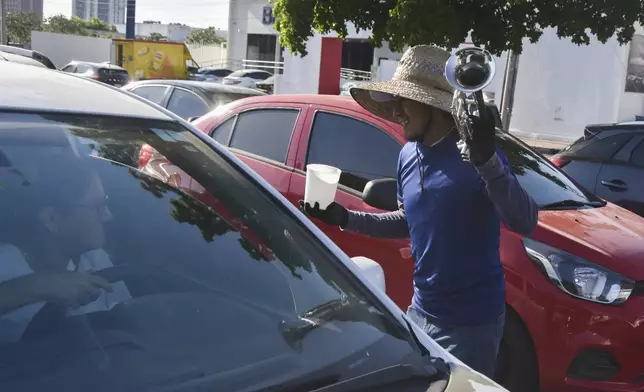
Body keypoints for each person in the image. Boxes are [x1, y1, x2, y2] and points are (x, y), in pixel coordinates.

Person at [300, 45, 538, 378]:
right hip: (421, 311)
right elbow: (409, 221)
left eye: (404, 100)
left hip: (471, 323)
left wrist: (488, 161)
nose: (396, 111)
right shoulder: (407, 155)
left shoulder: (477, 154)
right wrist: (344, 218)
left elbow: (525, 220)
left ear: (430, 103)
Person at [0, 156, 131, 343]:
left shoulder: (95, 257)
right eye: (97, 207)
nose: (108, 216)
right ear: (51, 219)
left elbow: (126, 317)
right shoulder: (5, 262)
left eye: (106, 202)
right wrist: (33, 287)